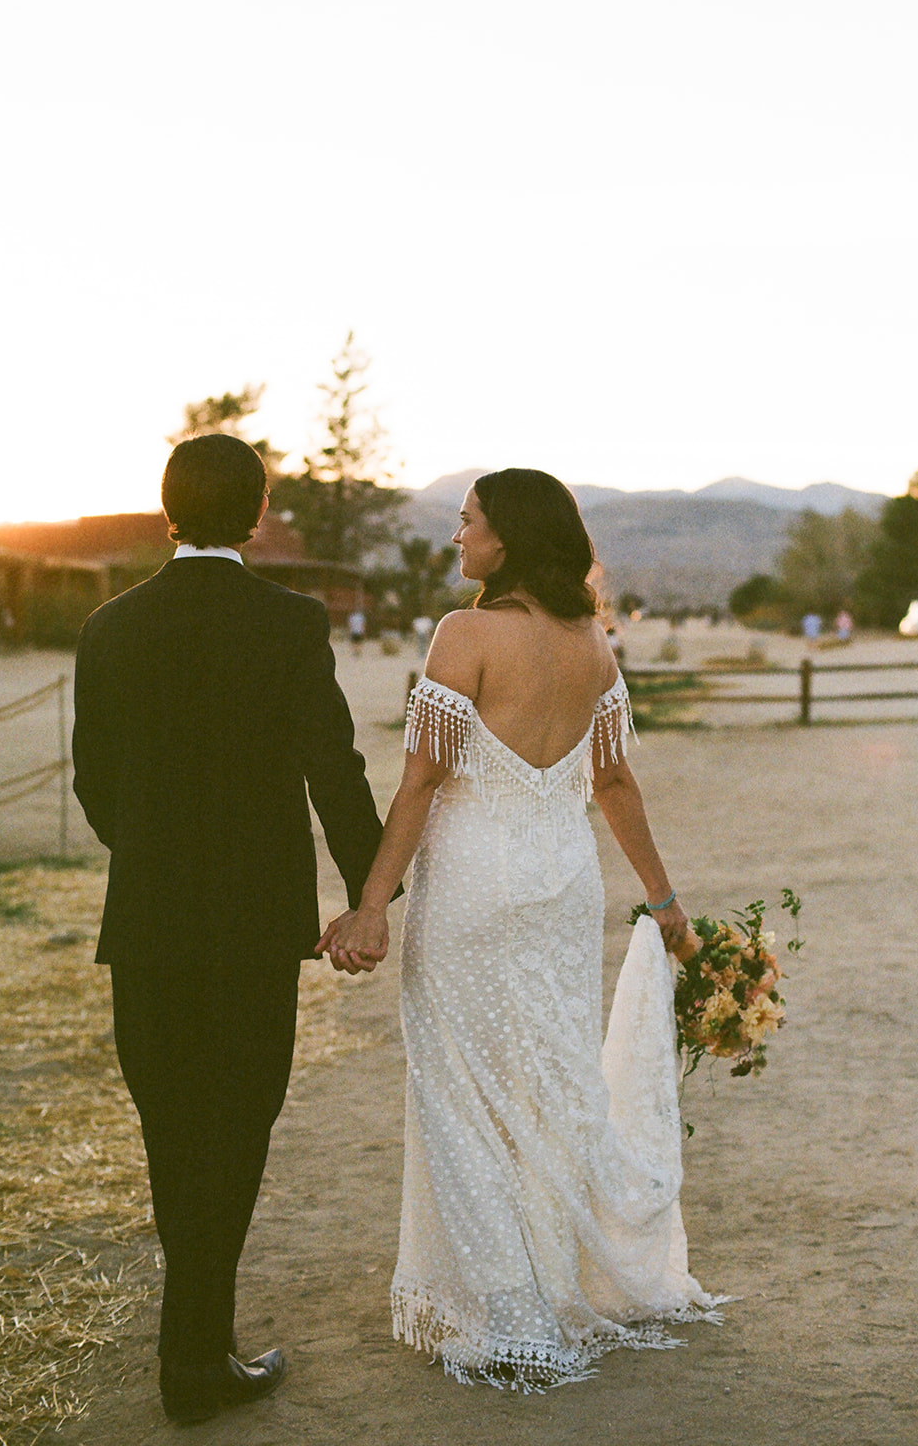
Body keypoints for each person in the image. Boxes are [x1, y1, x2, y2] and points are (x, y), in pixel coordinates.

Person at [318, 468, 723, 1390]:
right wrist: (665, 906)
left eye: (466, 523)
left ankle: (511, 1316)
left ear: (505, 538)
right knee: (545, 1082)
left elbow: (423, 780)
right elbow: (613, 785)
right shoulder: (590, 643)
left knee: (460, 1092)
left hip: (471, 885)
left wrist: (372, 904)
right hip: (561, 886)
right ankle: (538, 1283)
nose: (455, 538)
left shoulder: (464, 635)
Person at [73, 434, 389, 1425]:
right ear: (257, 513)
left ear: (167, 507)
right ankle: (196, 1360)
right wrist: (372, 891)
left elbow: (95, 780)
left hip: (150, 924)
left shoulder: (110, 626)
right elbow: (333, 769)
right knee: (237, 1125)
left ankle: (195, 1347)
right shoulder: (289, 622)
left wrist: (155, 859)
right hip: (255, 925)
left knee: (171, 1130)